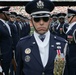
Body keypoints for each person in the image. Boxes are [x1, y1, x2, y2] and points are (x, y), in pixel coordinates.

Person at [16, 0, 69, 75]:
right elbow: (19, 71)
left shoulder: (63, 44)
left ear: (50, 20)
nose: (41, 23)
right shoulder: (22, 45)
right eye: (37, 19)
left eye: (45, 19)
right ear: (31, 21)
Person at [0, 6, 13, 75]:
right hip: (2, 57)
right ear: (1, 14)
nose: (9, 16)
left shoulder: (5, 24)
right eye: (7, 14)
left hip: (8, 55)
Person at [66, 8, 76, 75]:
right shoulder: (71, 27)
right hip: (70, 59)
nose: (67, 18)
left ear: (75, 17)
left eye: (69, 17)